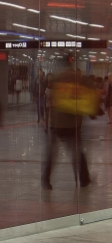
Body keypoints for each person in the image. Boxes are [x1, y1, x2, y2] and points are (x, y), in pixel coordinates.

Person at [43, 61, 94, 190]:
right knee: (77, 152)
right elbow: (86, 100)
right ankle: (84, 179)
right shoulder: (77, 80)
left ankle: (45, 178)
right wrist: (93, 112)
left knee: (52, 153)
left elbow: (50, 99)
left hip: (56, 123)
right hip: (72, 123)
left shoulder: (57, 79)